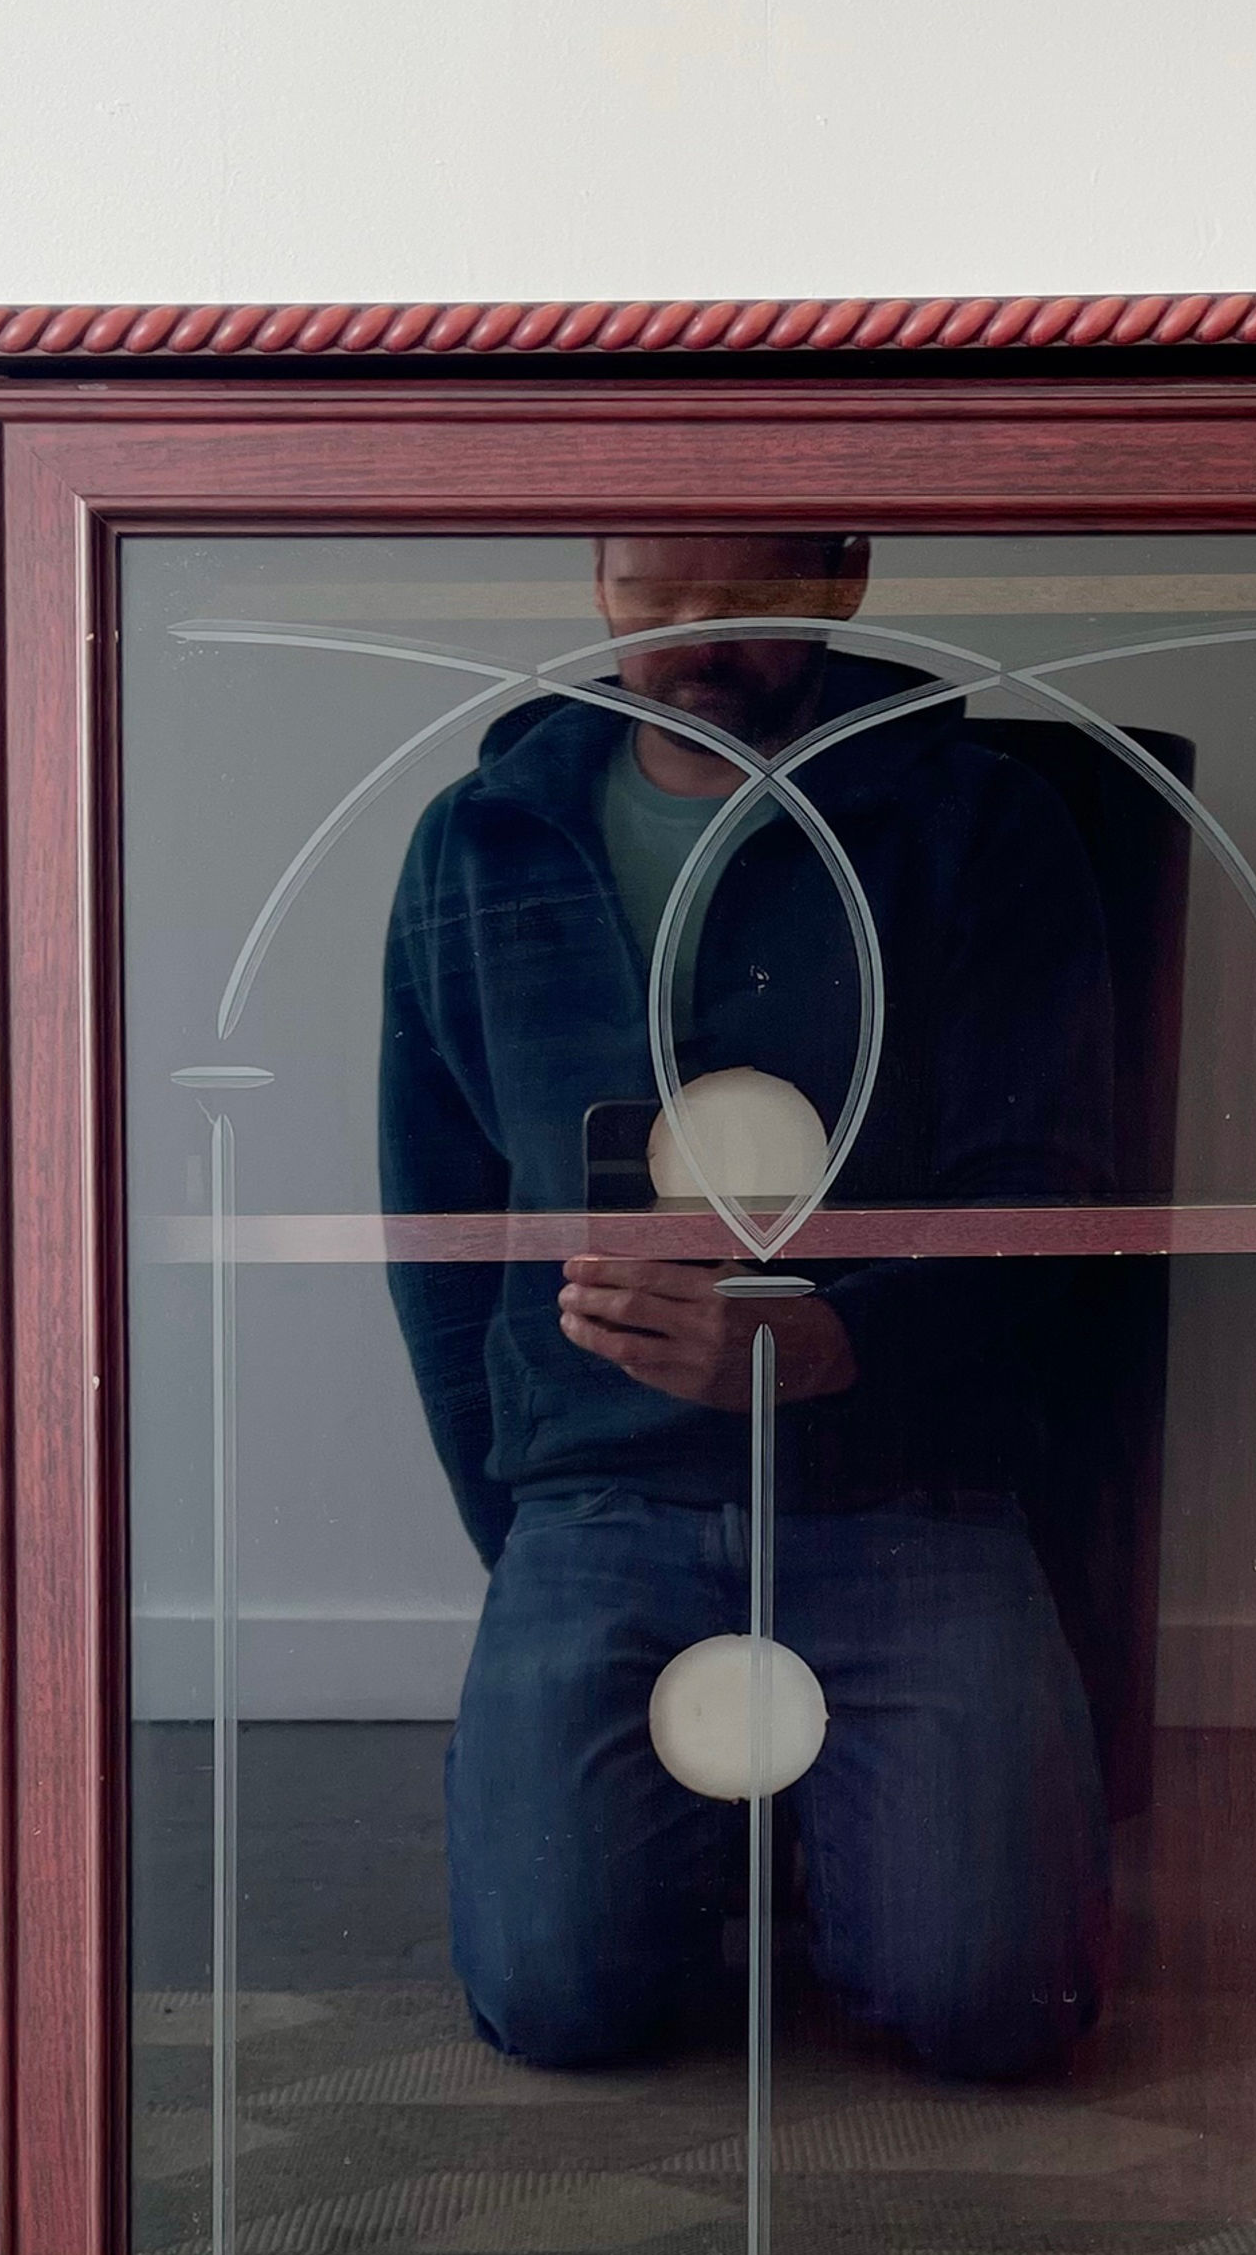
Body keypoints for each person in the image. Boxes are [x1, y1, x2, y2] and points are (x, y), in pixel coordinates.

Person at [381, 534, 1113, 2080]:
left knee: (996, 2010)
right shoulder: (481, 838)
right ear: (591, 576)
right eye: (655, 589)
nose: (695, 634)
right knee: (555, 2003)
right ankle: (702, 1822)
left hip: (912, 1491)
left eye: (748, 592)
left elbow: (1048, 1189)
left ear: (845, 576)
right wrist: (518, 1518)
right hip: (597, 1499)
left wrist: (843, 1341)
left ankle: (812, 1823)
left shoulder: (979, 821)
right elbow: (433, 1226)